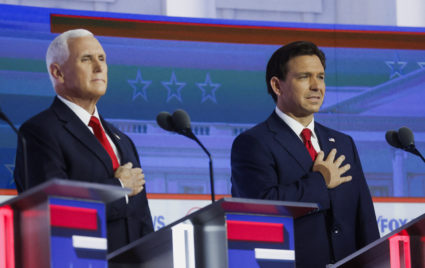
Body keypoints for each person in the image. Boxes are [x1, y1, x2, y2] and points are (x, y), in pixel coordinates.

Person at [231, 41, 379, 267]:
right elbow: (261, 209)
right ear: (277, 86)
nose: (316, 86)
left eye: (320, 77)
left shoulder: (342, 143)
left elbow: (364, 219)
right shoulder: (253, 143)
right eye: (304, 77)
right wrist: (320, 182)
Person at [13, 29, 154, 252]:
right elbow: (53, 211)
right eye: (86, 59)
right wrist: (118, 188)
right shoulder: (40, 132)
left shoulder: (122, 140)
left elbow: (143, 220)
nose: (99, 68)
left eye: (102, 59)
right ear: (58, 73)